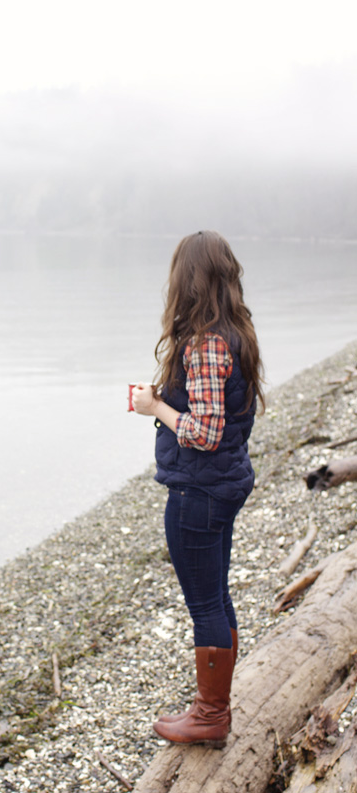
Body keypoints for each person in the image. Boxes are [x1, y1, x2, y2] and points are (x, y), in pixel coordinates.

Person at [132, 230, 264, 749]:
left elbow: (205, 432)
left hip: (200, 491)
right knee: (216, 598)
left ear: (186, 280)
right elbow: (225, 416)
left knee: (206, 604)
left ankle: (210, 715)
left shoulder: (206, 344)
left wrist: (157, 409)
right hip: (224, 483)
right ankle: (215, 708)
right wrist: (170, 394)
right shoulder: (237, 333)